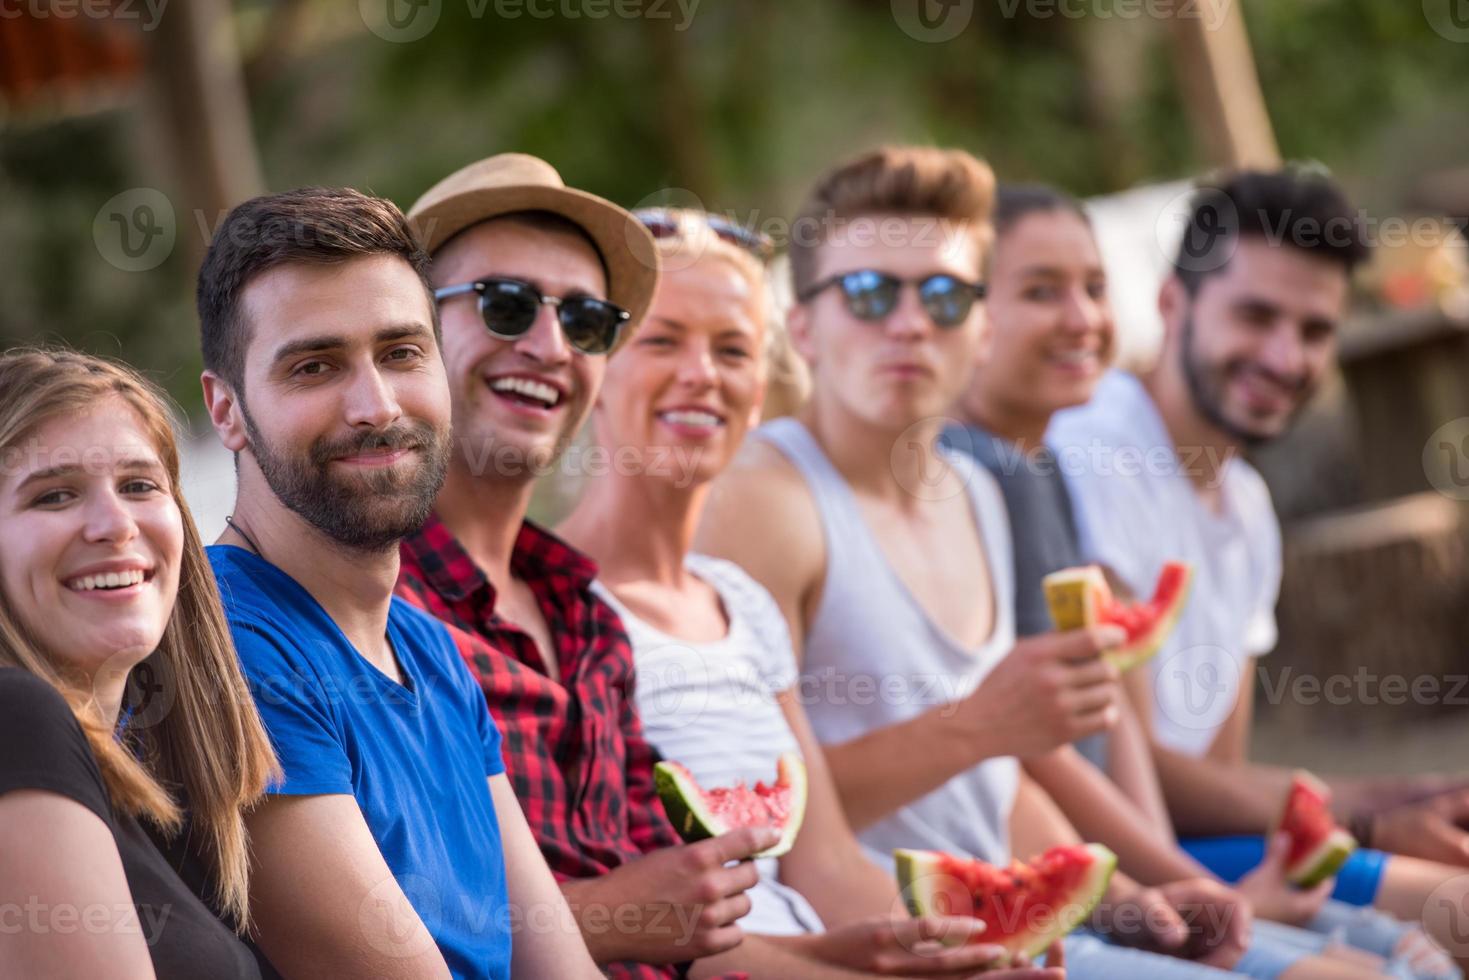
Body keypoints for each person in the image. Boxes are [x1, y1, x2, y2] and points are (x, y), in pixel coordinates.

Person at [696, 144, 1404, 980]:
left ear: (981, 325)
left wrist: (1127, 895)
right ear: (802, 328)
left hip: (1026, 921)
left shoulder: (978, 491)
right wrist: (982, 727)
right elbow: (772, 820)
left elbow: (1006, 787)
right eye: (868, 292)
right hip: (883, 939)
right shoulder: (764, 503)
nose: (911, 322)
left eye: (946, 296)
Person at [944, 184, 1457, 979]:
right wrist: (1366, 815)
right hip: (1129, 856)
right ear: (1171, 302)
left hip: (1164, 851)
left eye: (1314, 330)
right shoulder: (1083, 452)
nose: (1285, 357)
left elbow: (1212, 762)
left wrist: (1388, 801)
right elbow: (1127, 759)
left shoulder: (1244, 504)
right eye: (1255, 317)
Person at [557, 206, 1065, 978]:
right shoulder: (548, 606)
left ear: (758, 392)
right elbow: (652, 939)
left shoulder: (739, 602)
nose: (702, 374)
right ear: (592, 371)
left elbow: (825, 865)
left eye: (731, 350)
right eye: (662, 341)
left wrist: (965, 953)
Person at [396, 153, 813, 980]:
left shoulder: (586, 616)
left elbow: (688, 926)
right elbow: (381, 925)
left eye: (586, 321)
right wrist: (618, 914)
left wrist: (872, 962)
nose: (549, 345)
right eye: (506, 306)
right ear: (409, 331)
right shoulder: (371, 605)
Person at [194, 186, 598, 980]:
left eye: (402, 353)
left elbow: (558, 963)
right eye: (314, 366)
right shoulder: (228, 648)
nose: (375, 406)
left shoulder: (435, 654)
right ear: (227, 410)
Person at [0, 347, 278, 979]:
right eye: (54, 495)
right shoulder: (15, 717)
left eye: (139, 485)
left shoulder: (167, 782)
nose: (115, 525)